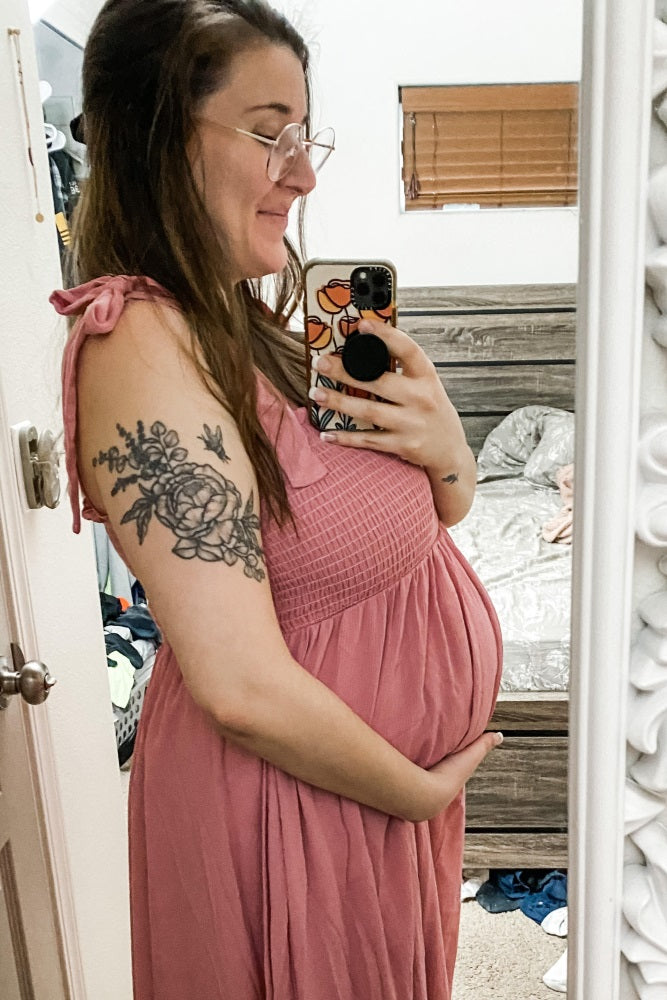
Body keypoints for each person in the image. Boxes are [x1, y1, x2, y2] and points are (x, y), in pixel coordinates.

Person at [50, 1, 504, 997]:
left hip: (357, 799)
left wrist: (449, 451)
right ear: (157, 136)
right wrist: (414, 791)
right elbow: (241, 687)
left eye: (306, 136)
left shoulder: (251, 326)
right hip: (288, 810)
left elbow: (435, 519)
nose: (303, 174)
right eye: (269, 134)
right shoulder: (140, 345)